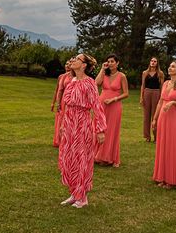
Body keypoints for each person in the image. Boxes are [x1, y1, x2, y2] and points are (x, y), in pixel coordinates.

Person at [59, 53, 106, 208]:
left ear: (84, 65)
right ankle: (74, 193)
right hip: (69, 124)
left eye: (77, 59)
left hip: (82, 124)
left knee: (81, 160)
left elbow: (97, 106)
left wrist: (100, 129)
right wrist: (63, 125)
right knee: (69, 157)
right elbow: (67, 104)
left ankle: (83, 197)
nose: (73, 60)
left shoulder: (89, 83)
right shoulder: (71, 81)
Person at [151, 60, 176, 188]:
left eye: (173, 66)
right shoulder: (166, 83)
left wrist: (173, 103)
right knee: (163, 146)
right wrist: (155, 119)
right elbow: (160, 102)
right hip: (163, 119)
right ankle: (163, 177)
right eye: (169, 66)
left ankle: (174, 179)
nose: (170, 68)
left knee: (173, 147)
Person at [94, 54, 128, 167]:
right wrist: (102, 69)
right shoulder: (104, 74)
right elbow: (96, 83)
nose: (110, 63)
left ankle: (106, 156)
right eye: (108, 61)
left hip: (114, 106)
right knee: (99, 128)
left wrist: (114, 99)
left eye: (112, 61)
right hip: (101, 104)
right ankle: (95, 154)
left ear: (117, 63)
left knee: (110, 130)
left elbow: (126, 94)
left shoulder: (122, 76)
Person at [140, 57, 164, 142]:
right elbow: (143, 85)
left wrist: (162, 97)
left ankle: (156, 136)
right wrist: (141, 97)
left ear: (157, 63)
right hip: (147, 92)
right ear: (149, 62)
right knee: (146, 116)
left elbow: (162, 86)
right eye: (152, 61)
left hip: (156, 93)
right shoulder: (145, 73)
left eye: (155, 61)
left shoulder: (160, 73)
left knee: (155, 115)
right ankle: (147, 136)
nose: (153, 62)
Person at [51, 60, 72, 147]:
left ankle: (66, 139)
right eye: (66, 64)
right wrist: (54, 102)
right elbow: (57, 90)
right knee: (60, 119)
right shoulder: (61, 76)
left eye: (69, 64)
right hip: (62, 100)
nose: (67, 65)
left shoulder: (74, 77)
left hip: (70, 100)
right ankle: (58, 139)